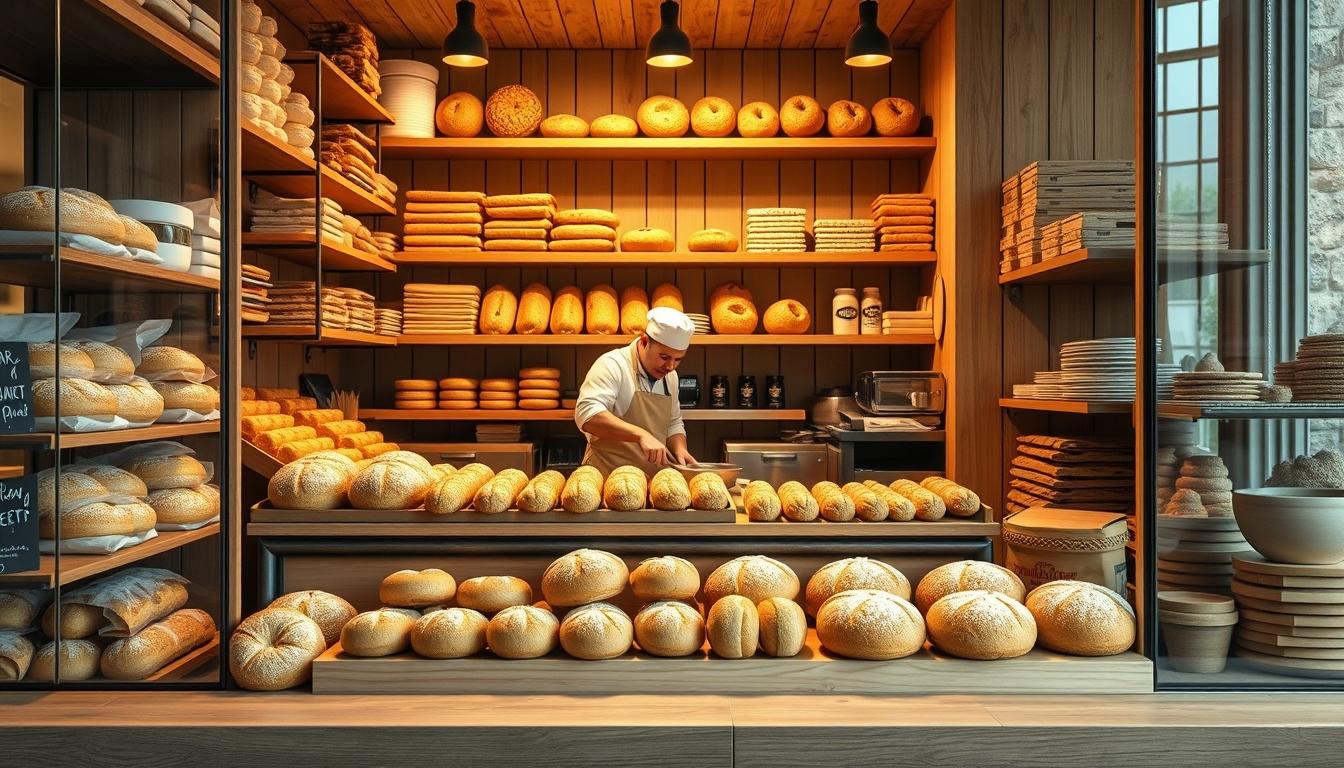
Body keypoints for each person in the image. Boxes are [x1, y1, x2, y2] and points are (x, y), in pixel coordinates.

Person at [574, 306, 697, 475]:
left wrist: (680, 449)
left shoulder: (671, 377)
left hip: (651, 485)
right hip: (606, 479)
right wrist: (640, 434)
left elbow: (673, 422)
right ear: (644, 341)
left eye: (678, 359)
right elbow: (587, 415)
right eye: (664, 357)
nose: (670, 366)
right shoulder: (612, 365)